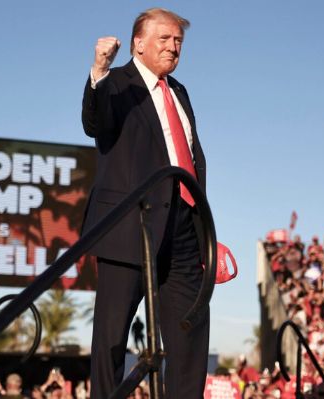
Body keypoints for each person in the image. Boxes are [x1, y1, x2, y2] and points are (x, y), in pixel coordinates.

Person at [81, 7, 210, 398]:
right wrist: (99, 71)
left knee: (190, 334)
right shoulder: (117, 83)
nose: (174, 47)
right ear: (138, 43)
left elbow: (191, 157)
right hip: (130, 226)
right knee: (112, 337)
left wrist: (206, 232)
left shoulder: (179, 92)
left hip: (185, 228)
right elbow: (95, 124)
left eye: (179, 41)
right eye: (165, 39)